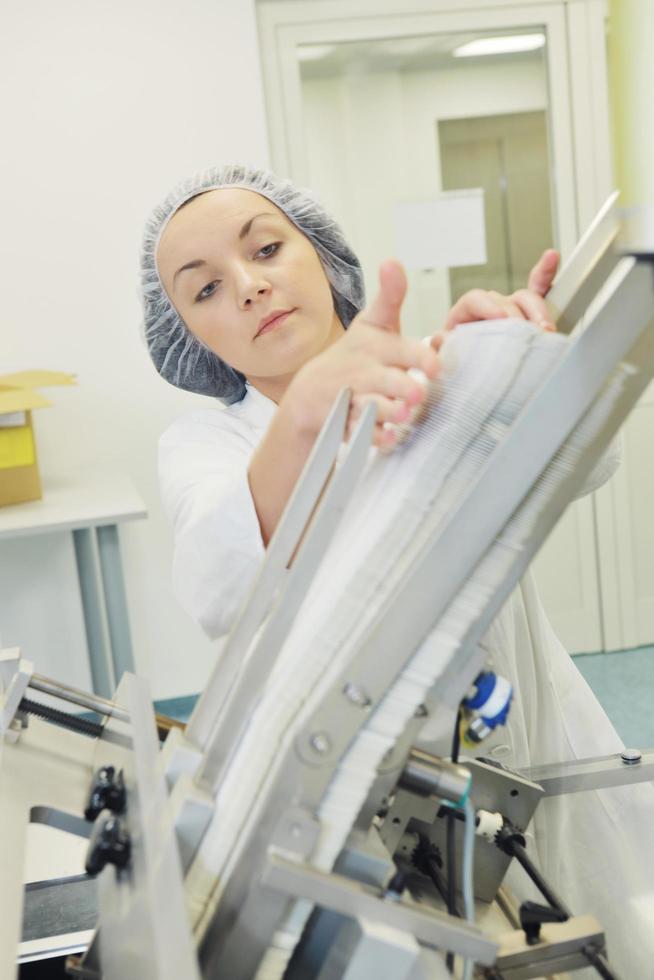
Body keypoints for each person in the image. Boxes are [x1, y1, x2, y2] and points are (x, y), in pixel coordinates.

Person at [141, 165, 652, 976]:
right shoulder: (208, 448)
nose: (247, 287)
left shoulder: (428, 369)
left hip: (529, 742)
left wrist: (511, 374)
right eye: (203, 291)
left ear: (324, 258)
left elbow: (587, 465)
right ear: (193, 336)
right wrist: (310, 408)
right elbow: (221, 578)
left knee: (586, 927)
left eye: (267, 248)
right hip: (354, 787)